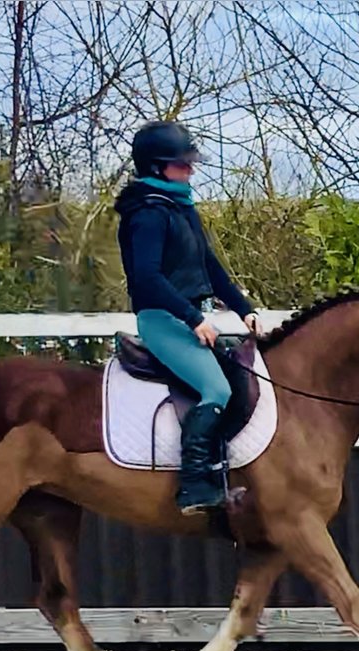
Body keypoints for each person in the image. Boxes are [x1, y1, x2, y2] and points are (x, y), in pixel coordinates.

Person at [114, 120, 260, 514]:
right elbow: (146, 278)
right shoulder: (147, 214)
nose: (191, 170)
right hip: (162, 318)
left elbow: (208, 266)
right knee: (217, 390)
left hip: (190, 314)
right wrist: (193, 318)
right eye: (182, 164)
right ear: (157, 167)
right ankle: (193, 485)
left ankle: (219, 468)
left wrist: (244, 309)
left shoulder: (180, 207)